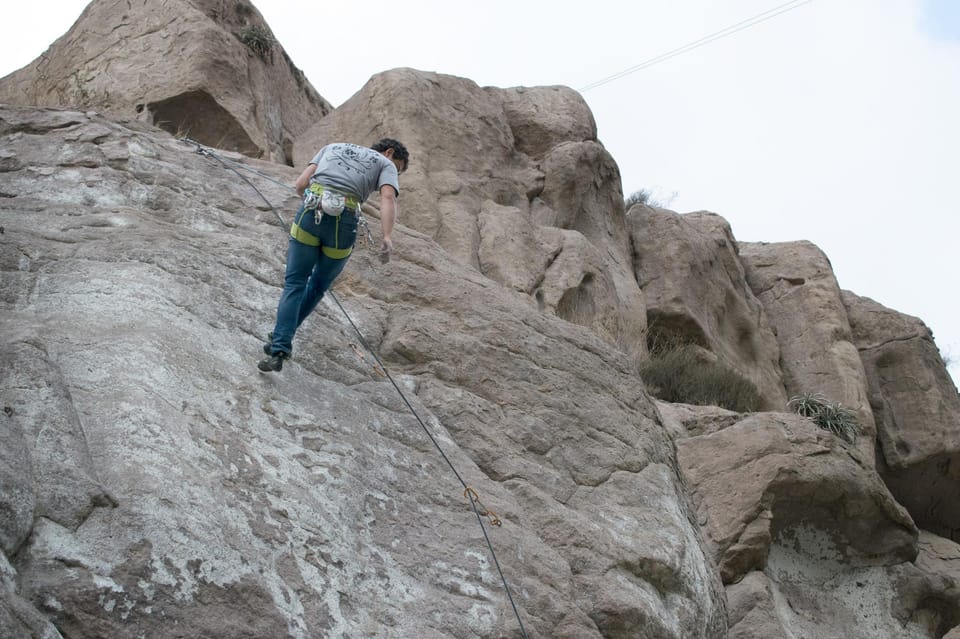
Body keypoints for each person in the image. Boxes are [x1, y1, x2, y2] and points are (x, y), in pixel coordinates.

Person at [258, 138, 409, 372]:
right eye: (398, 168)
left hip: (311, 212)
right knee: (317, 286)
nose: (395, 173)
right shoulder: (384, 163)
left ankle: (280, 344)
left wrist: (310, 204)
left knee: (295, 282)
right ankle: (282, 336)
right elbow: (387, 198)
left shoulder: (332, 147)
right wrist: (387, 236)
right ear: (389, 153)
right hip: (343, 225)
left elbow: (300, 184)